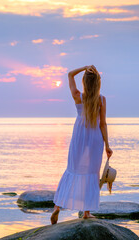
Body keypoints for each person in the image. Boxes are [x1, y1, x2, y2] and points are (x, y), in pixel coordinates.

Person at [51, 65, 113, 224]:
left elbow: (70, 74)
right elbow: (103, 124)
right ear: (98, 83)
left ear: (84, 82)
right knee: (92, 173)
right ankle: (86, 212)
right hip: (95, 138)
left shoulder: (78, 96)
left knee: (72, 169)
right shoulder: (101, 99)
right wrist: (107, 145)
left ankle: (57, 207)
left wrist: (85, 67)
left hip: (79, 136)